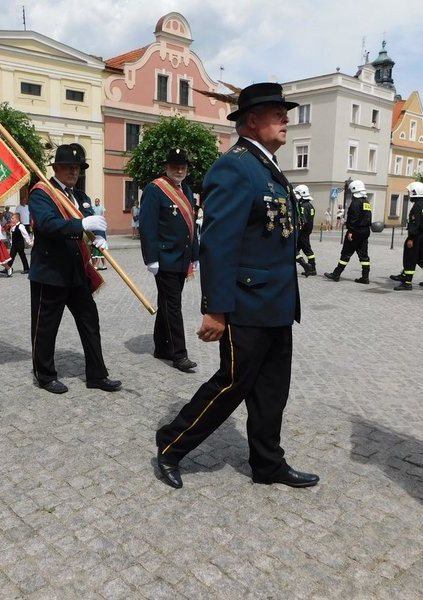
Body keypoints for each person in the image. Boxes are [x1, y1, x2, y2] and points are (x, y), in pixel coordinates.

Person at [155, 83, 318, 490]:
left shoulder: (268, 167)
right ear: (251, 120)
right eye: (277, 112)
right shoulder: (234, 166)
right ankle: (170, 444)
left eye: (285, 112)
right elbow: (218, 244)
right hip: (245, 302)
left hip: (276, 302)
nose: (285, 119)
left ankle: (268, 464)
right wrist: (215, 308)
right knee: (230, 384)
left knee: (272, 389)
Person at [28, 143, 121, 394]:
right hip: (50, 270)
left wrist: (99, 235)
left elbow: (94, 222)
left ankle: (97, 374)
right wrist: (81, 223)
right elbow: (47, 224)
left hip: (77, 271)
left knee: (90, 321)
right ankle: (45, 375)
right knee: (46, 326)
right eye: (68, 167)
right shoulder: (42, 193)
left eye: (77, 167)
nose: (73, 172)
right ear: (56, 168)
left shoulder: (81, 197)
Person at [139, 147, 200, 372]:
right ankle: (179, 354)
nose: (179, 170)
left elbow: (191, 226)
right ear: (166, 167)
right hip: (164, 258)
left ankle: (161, 347)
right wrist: (151, 258)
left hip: (182, 258)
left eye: (183, 166)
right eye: (175, 166)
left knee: (167, 303)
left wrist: (195, 254)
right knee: (173, 305)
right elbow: (147, 225)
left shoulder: (187, 189)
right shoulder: (155, 190)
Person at [390, 182, 423, 290]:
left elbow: (415, 223)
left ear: (414, 193)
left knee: (410, 258)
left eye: (409, 192)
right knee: (421, 257)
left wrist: (411, 238)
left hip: (418, 235)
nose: (408, 194)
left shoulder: (417, 207)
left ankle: (407, 283)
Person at [324, 180, 372, 284]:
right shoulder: (366, 202)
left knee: (346, 253)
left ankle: (336, 274)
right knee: (363, 255)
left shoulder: (355, 203)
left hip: (355, 231)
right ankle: (365, 277)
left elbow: (353, 219)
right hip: (365, 231)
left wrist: (351, 231)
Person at [293, 184, 317, 276]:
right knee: (299, 250)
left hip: (302, 233)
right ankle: (311, 268)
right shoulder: (310, 205)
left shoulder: (303, 206)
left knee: (306, 250)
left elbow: (302, 221)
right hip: (306, 232)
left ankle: (311, 268)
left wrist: (297, 231)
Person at [90, 198, 108, 271]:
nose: (96, 202)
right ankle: (103, 265)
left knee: (100, 250)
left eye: (97, 201)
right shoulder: (93, 208)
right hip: (96, 230)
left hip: (100, 235)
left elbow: (103, 214)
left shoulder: (101, 208)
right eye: (95, 201)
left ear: (99, 202)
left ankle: (100, 265)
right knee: (98, 250)